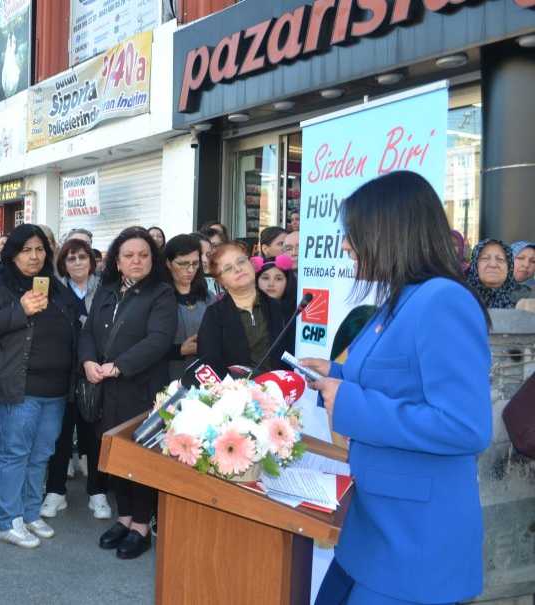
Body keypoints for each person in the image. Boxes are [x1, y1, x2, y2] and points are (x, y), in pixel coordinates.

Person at [302, 171, 491, 605]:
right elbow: (396, 383)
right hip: (373, 526)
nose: (346, 245)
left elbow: (464, 425)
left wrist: (348, 401)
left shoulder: (442, 300)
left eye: (352, 234)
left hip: (414, 539)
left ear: (389, 231)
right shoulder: (397, 300)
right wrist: (334, 374)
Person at [0, 225, 81, 547]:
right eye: (26, 250)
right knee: (15, 453)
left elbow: (75, 322)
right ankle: (8, 521)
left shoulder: (57, 287)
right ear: (13, 253)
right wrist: (20, 310)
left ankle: (30, 513)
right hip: (17, 386)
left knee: (41, 453)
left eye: (40, 249)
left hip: (55, 389)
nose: (34, 256)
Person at [81, 227, 176, 560]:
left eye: (143, 254)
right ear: (117, 262)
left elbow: (158, 340)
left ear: (153, 258)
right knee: (114, 457)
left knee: (140, 459)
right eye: (128, 255)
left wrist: (118, 366)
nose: (136, 260)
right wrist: (89, 360)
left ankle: (140, 526)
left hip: (142, 391)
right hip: (107, 390)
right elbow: (89, 332)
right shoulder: (107, 291)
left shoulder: (162, 294)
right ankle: (123, 518)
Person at [42, 237, 110, 521]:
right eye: (71, 258)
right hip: (61, 372)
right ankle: (55, 491)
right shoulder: (53, 290)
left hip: (96, 372)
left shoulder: (107, 290)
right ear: (63, 263)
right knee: (58, 434)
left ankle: (97, 492)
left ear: (92, 261)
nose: (78, 263)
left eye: (83, 257)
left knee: (93, 435)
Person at [196, 243, 293, 378]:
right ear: (221, 281)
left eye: (241, 261)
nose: (238, 269)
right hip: (237, 394)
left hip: (281, 389)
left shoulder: (279, 307)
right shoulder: (214, 315)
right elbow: (209, 365)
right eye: (228, 268)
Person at [164, 234, 213, 380]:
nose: (190, 270)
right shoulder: (157, 298)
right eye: (183, 264)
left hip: (206, 376)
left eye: (195, 263)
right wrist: (179, 350)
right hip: (168, 376)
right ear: (168, 263)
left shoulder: (208, 296)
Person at [465, 238, 531, 309]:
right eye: (485, 258)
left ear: (509, 266)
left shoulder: (525, 295)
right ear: (475, 265)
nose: (493, 265)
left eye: (500, 259)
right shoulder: (462, 294)